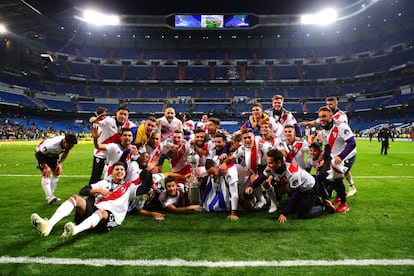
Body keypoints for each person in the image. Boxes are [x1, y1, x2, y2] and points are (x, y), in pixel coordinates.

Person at [30, 162, 153, 239]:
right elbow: (83, 190)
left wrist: (148, 173)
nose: (119, 171)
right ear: (112, 172)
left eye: (122, 170)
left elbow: (144, 189)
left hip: (110, 216)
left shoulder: (129, 187)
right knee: (75, 198)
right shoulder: (103, 183)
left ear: (125, 173)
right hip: (94, 209)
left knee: (101, 212)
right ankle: (49, 225)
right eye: (117, 169)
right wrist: (99, 191)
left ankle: (75, 230)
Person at [245, 149, 335, 223]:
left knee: (303, 215)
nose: (268, 166)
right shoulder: (273, 168)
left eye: (270, 163)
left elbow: (295, 195)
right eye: (268, 163)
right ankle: (315, 201)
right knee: (293, 208)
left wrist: (284, 213)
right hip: (299, 188)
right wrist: (251, 186)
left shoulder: (292, 174)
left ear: (279, 162)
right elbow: (262, 177)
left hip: (310, 189)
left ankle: (324, 207)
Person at [299, 97, 357, 197]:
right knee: (328, 174)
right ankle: (335, 193)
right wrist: (307, 123)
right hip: (334, 150)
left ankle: (342, 197)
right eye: (327, 104)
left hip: (343, 149)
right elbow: (317, 123)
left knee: (337, 175)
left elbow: (350, 141)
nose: (329, 106)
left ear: (336, 104)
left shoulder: (341, 117)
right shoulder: (325, 121)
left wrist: (340, 156)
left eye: (331, 104)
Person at [318, 106, 356, 213]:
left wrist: (341, 156)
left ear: (331, 116)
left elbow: (352, 143)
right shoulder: (323, 130)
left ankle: (344, 203)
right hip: (334, 156)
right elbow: (327, 148)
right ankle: (340, 194)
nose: (322, 119)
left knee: (337, 177)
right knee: (321, 176)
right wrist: (323, 162)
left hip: (347, 156)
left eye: (324, 116)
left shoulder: (341, 126)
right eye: (320, 117)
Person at [88, 106, 136, 184]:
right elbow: (92, 119)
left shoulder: (129, 124)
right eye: (121, 113)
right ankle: (91, 194)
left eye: (125, 114)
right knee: (96, 175)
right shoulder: (108, 121)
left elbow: (139, 130)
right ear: (116, 114)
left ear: (128, 116)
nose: (123, 116)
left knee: (114, 175)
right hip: (101, 152)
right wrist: (96, 119)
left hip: (114, 153)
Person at [35, 133, 78, 204]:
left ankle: (51, 195)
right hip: (41, 154)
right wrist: (45, 166)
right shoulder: (51, 145)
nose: (71, 147)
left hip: (53, 154)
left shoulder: (67, 145)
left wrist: (60, 164)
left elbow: (66, 151)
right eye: (70, 145)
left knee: (57, 172)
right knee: (46, 173)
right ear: (64, 142)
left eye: (72, 146)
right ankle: (49, 197)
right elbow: (38, 154)